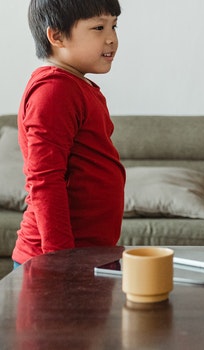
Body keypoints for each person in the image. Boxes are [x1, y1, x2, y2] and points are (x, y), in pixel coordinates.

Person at [12, 0, 125, 268]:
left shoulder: (77, 86)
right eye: (99, 27)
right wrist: (60, 260)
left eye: (114, 26)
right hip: (56, 261)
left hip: (89, 254)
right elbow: (45, 180)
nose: (112, 39)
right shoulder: (54, 91)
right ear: (57, 36)